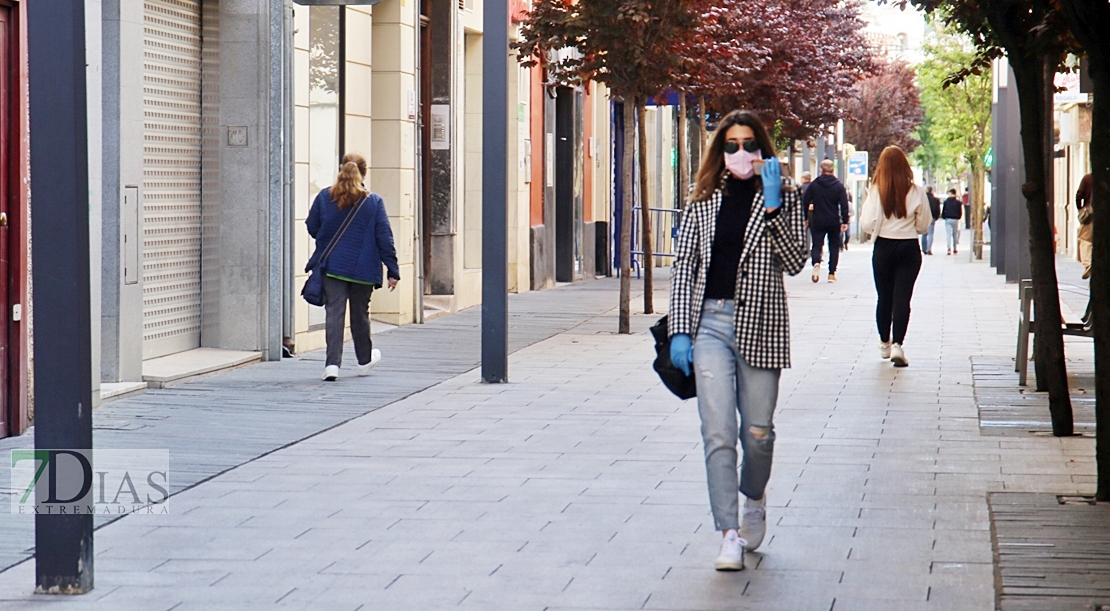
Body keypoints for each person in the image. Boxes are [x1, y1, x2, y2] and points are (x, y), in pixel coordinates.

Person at [667, 110, 807, 571]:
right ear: (720, 150)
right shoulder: (704, 198)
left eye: (749, 144)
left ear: (763, 148)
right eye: (731, 145)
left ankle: (755, 496)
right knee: (719, 433)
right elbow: (685, 266)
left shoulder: (783, 194)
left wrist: (771, 207)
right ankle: (728, 533)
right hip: (709, 324)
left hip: (761, 324)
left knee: (758, 433)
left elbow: (794, 261)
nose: (741, 153)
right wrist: (680, 331)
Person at [306, 153, 401, 381]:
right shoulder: (374, 202)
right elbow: (384, 237)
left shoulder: (324, 197)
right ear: (364, 173)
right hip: (364, 269)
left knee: (334, 314)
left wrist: (327, 240)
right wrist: (392, 270)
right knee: (360, 315)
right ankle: (364, 361)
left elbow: (312, 226)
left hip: (333, 266)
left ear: (341, 169)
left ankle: (332, 366)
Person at [860, 146, 932, 367]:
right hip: (909, 247)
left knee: (884, 297)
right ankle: (898, 344)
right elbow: (924, 224)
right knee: (903, 298)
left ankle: (884, 341)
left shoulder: (875, 191)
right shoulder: (917, 191)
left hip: (883, 246)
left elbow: (867, 223)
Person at [803, 159, 850, 283]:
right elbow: (844, 204)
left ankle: (816, 263)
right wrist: (845, 221)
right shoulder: (838, 185)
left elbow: (805, 201)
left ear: (820, 170)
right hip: (833, 220)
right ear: (833, 170)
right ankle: (831, 273)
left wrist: (805, 217)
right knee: (834, 246)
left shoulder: (814, 185)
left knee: (817, 244)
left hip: (818, 219)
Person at [1077, 173, 1093, 280]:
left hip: (1091, 216)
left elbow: (1078, 196)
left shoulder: (1088, 178)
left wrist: (1081, 209)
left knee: (1084, 240)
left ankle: (1088, 264)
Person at [920, 185, 941, 255]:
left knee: (924, 234)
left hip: (924, 217)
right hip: (932, 218)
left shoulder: (922, 199)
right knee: (931, 233)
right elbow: (938, 210)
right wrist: (936, 217)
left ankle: (924, 249)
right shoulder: (935, 199)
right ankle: (929, 249)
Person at [941, 188, 962, 255]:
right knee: (955, 234)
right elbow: (960, 211)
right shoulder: (958, 202)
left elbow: (943, 211)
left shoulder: (946, 202)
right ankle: (955, 248)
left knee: (948, 234)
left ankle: (948, 248)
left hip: (948, 219)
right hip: (955, 219)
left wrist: (944, 217)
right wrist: (958, 217)